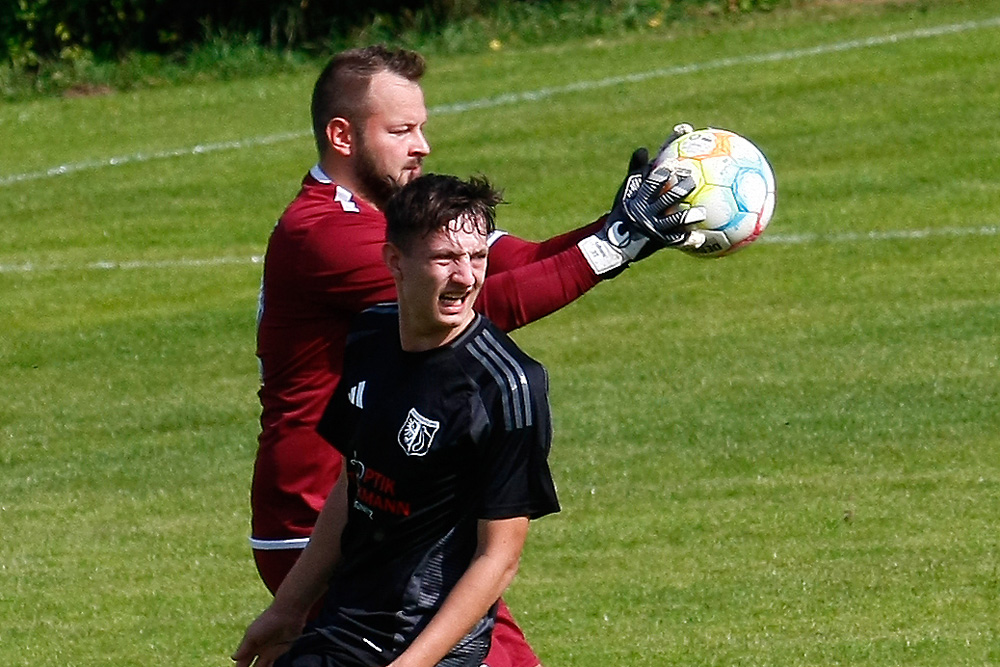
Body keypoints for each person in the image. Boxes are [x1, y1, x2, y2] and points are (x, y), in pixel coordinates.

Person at [250, 44, 702, 667]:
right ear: (342, 136)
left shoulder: (403, 219)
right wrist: (615, 247)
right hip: (330, 513)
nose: (422, 145)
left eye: (422, 127)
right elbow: (491, 300)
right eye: (402, 129)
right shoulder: (326, 232)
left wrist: (620, 227)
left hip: (393, 500)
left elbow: (518, 258)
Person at [234, 174, 562, 667]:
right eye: (445, 259)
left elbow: (498, 558)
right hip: (343, 629)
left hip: (425, 647)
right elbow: (354, 482)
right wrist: (288, 608)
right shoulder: (370, 337)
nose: (467, 277)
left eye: (477, 258)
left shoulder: (506, 387)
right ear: (395, 261)